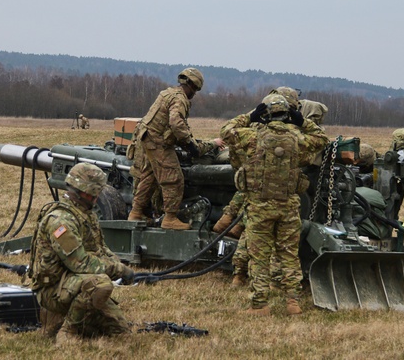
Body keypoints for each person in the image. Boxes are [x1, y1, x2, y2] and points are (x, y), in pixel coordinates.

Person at [221, 93, 329, 316]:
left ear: (265, 114)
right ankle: (293, 303)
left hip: (260, 207)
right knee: (289, 255)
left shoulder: (252, 137)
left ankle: (260, 305)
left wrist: (250, 116)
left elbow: (226, 131)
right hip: (289, 207)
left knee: (259, 257)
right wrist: (301, 121)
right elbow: (321, 138)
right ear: (288, 114)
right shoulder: (297, 139)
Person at [29, 163, 135, 344]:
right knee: (100, 284)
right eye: (95, 192)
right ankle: (67, 331)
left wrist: (116, 262)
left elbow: (100, 249)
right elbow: (80, 263)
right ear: (84, 192)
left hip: (74, 282)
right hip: (53, 289)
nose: (98, 196)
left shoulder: (86, 214)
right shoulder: (60, 221)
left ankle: (66, 320)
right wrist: (118, 269)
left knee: (119, 330)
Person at [128, 68, 214, 230]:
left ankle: (136, 213)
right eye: (195, 89)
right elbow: (175, 122)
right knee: (174, 178)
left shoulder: (167, 93)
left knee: (149, 177)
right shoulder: (180, 99)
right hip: (158, 141)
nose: (194, 94)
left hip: (147, 139)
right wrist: (189, 143)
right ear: (191, 86)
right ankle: (170, 218)